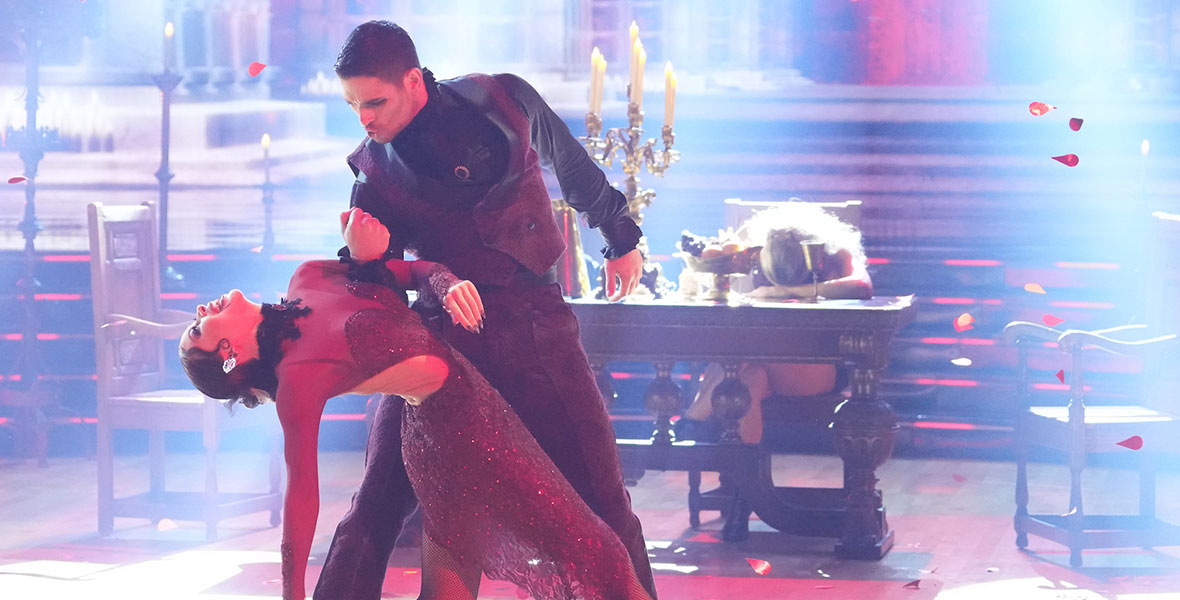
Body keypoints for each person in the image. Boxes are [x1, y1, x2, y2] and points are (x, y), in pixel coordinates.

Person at [318, 20, 658, 600]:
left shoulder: (501, 98)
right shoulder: (372, 170)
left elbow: (570, 166)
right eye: (353, 104)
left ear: (413, 81)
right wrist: (368, 261)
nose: (365, 118)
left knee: (604, 499)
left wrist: (620, 235)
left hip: (537, 330)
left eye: (374, 101)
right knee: (373, 506)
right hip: (439, 348)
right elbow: (373, 294)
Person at [178, 208, 651, 600]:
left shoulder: (308, 276)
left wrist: (444, 285)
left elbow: (412, 272)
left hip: (455, 422)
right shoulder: (298, 380)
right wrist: (291, 594)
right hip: (463, 435)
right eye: (197, 330)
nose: (200, 312)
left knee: (477, 581)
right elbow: (301, 495)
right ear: (229, 357)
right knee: (595, 554)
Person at [682, 202, 874, 444]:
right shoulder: (761, 256)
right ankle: (742, 476)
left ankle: (692, 422)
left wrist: (786, 290)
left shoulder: (836, 256)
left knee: (740, 353)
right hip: (769, 362)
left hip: (820, 366)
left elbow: (862, 287)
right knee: (749, 380)